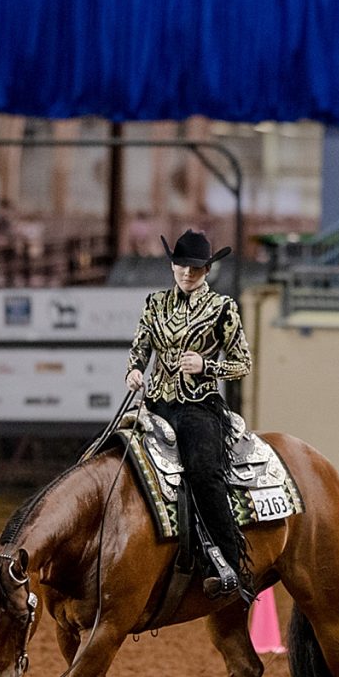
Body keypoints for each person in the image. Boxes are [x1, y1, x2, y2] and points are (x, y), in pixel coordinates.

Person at [125, 229, 254, 604]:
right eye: (181, 265)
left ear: (207, 270)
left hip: (198, 407)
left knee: (204, 473)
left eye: (195, 269)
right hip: (156, 405)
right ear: (172, 264)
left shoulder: (222, 309)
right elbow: (140, 348)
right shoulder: (154, 303)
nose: (187, 273)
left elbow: (243, 362)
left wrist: (206, 364)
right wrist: (134, 370)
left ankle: (231, 567)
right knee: (115, 460)